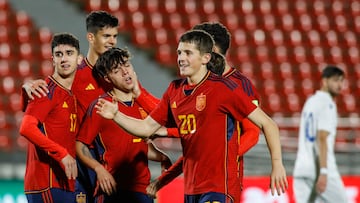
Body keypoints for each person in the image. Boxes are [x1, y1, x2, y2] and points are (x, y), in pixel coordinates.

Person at [95, 30, 288, 203]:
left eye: (188, 53)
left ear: (205, 58)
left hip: (219, 186)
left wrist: (277, 165)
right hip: (192, 188)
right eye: (179, 52)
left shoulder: (224, 88)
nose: (181, 58)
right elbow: (146, 128)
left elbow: (268, 124)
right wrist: (116, 115)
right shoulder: (174, 90)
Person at [21, 10, 160, 202]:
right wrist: (26, 87)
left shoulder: (118, 76)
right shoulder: (74, 74)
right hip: (80, 160)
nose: (112, 41)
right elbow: (45, 98)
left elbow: (155, 113)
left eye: (115, 36)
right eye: (107, 36)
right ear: (91, 38)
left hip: (111, 164)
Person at [146, 22, 261, 202]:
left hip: (225, 181)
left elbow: (253, 132)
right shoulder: (193, 87)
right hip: (196, 182)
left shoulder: (238, 85)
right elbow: (196, 142)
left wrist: (221, 158)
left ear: (210, 50)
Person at [76, 47, 172, 203]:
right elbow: (80, 146)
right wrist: (99, 169)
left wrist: (162, 157)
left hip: (143, 190)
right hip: (113, 188)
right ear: (107, 78)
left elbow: (139, 146)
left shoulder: (142, 104)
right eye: (116, 70)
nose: (125, 72)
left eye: (126, 65)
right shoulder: (102, 106)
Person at [19, 33, 82, 203]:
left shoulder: (72, 94)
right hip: (46, 182)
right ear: (52, 59)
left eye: (69, 53)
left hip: (64, 181)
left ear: (79, 59)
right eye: (59, 54)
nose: (64, 59)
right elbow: (26, 127)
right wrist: (62, 154)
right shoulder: (45, 90)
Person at [293, 65, 347, 203]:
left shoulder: (310, 101)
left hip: (301, 168)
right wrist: (323, 172)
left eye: (341, 81)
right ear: (324, 81)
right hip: (319, 170)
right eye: (335, 80)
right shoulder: (328, 104)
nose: (340, 85)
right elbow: (321, 137)